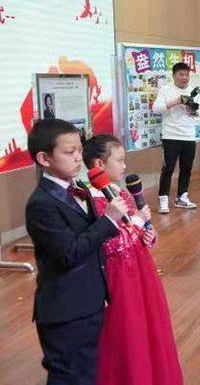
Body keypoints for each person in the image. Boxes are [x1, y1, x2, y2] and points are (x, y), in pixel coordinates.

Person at [25, 119, 126, 384]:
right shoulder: (42, 204)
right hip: (66, 309)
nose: (78, 158)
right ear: (44, 158)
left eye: (80, 150)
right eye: (69, 152)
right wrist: (108, 220)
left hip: (88, 301)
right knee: (70, 375)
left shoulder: (78, 188)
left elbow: (92, 239)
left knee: (86, 370)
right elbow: (70, 252)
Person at [82, 135, 182, 385]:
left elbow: (132, 232)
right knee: (126, 329)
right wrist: (137, 222)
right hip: (118, 276)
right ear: (99, 164)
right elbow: (109, 244)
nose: (124, 166)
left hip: (140, 268)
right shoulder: (91, 200)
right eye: (119, 160)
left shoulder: (119, 192)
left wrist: (147, 233)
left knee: (148, 325)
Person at [152, 62, 200, 213]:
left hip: (189, 136)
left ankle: (182, 197)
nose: (184, 77)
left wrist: (191, 110)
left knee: (186, 168)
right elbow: (156, 109)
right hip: (170, 136)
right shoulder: (166, 89)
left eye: (187, 75)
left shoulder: (194, 91)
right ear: (173, 76)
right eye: (181, 74)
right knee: (168, 168)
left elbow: (199, 112)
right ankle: (163, 199)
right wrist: (177, 101)